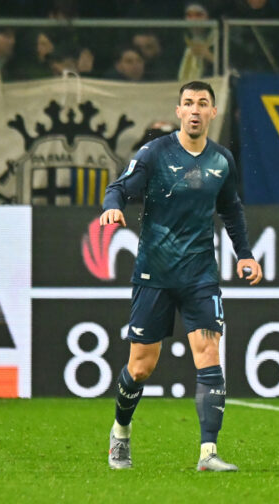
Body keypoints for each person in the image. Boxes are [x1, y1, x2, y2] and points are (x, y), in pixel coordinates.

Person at [101, 80, 264, 472]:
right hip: (154, 273)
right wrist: (112, 206)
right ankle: (120, 433)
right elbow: (120, 187)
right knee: (141, 366)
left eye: (202, 103)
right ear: (179, 111)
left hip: (200, 275)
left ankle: (208, 453)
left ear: (212, 113)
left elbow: (231, 209)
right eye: (188, 103)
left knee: (209, 356)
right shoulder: (155, 153)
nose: (194, 109)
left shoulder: (222, 160)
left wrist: (245, 254)